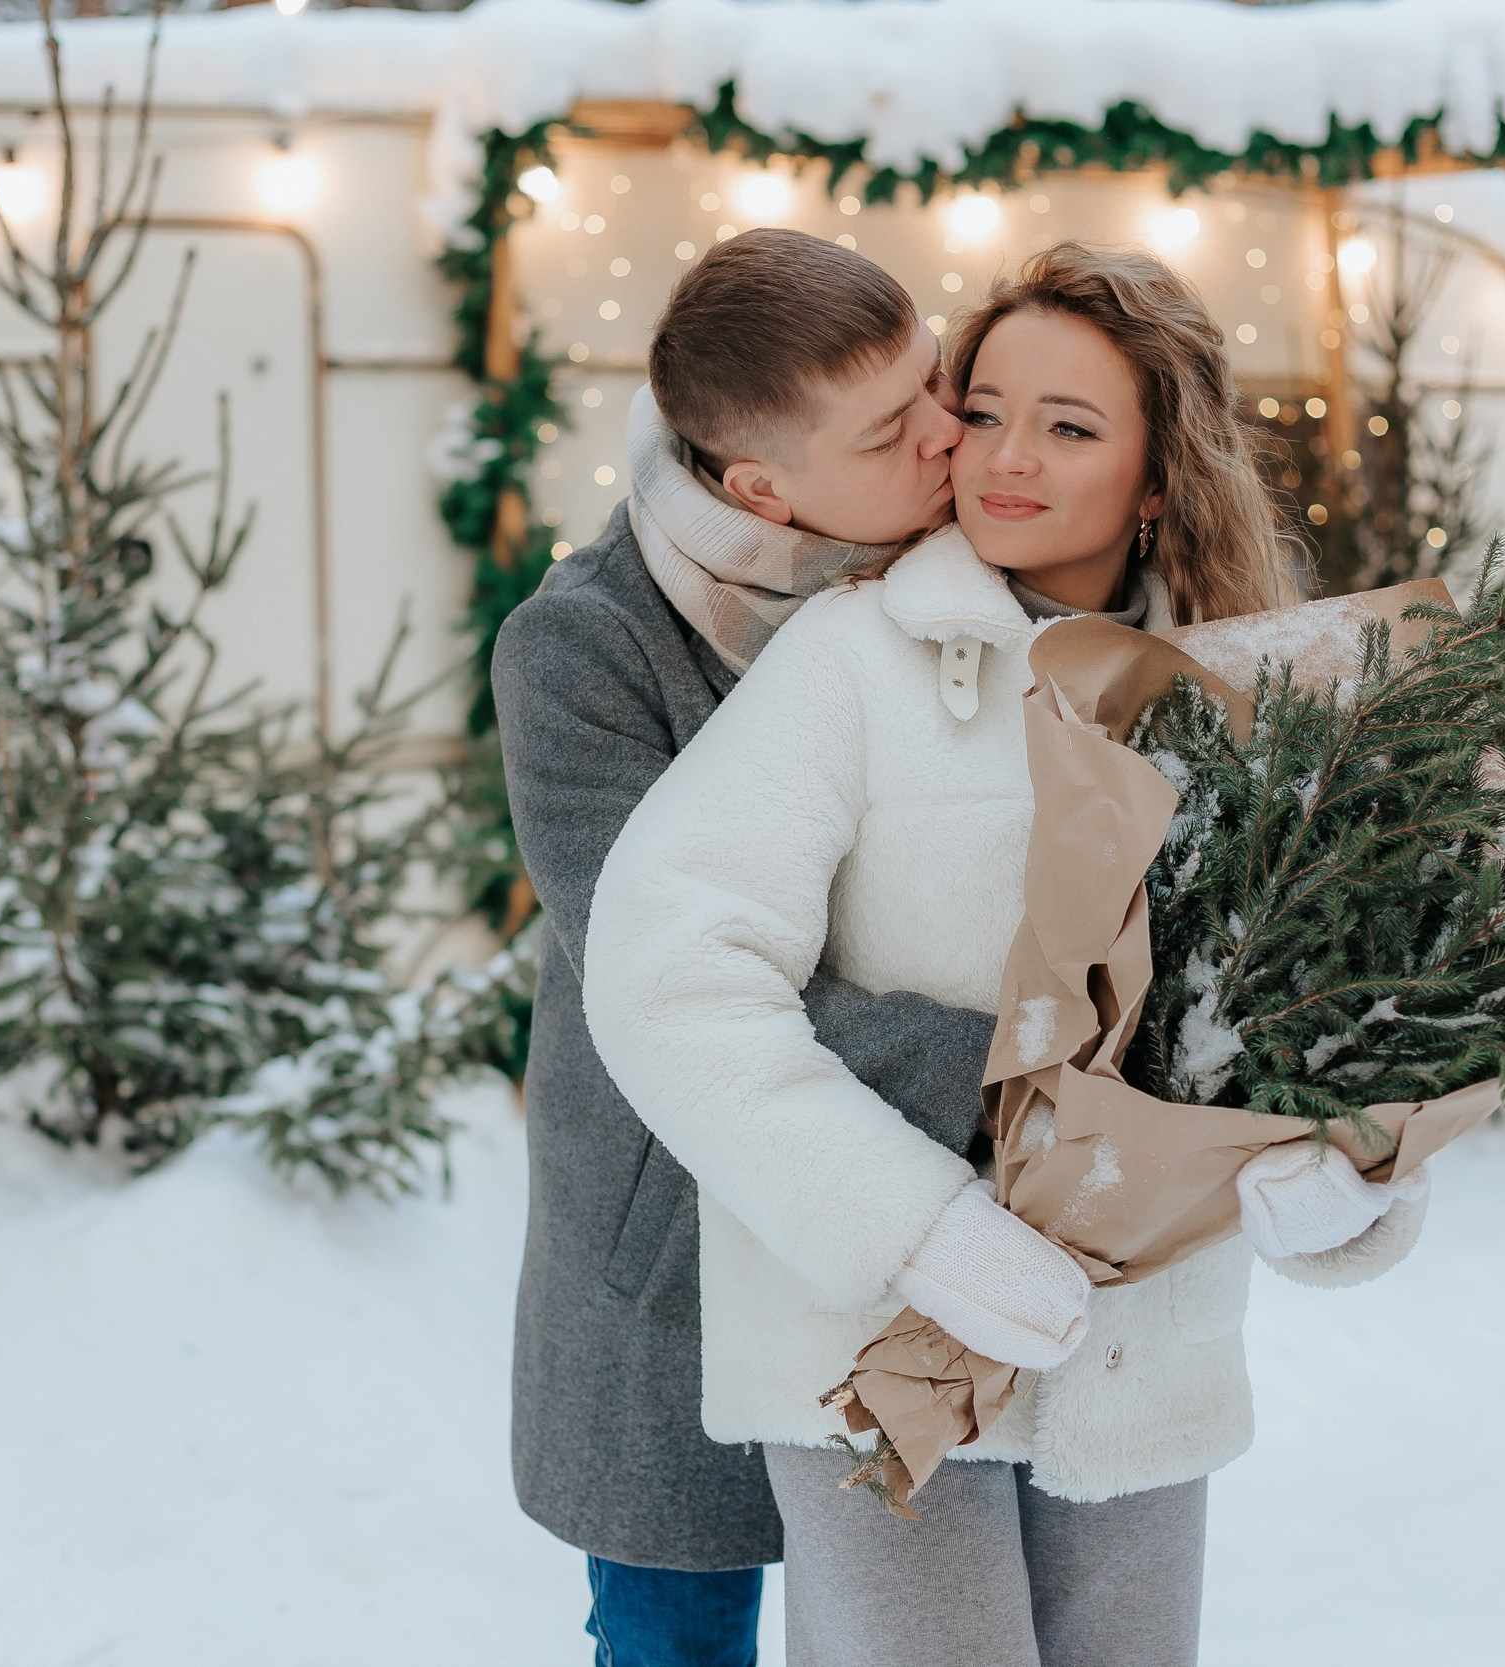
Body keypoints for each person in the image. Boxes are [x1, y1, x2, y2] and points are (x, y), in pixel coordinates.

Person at [581, 242, 1436, 1667]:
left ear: (1159, 475)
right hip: (880, 1355)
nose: (1005, 458)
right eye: (982, 410)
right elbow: (669, 977)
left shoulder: (1259, 694)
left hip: (1139, 1360)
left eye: (1071, 425)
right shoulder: (853, 662)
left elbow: (1334, 1007)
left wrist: (1354, 1182)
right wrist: (916, 1225)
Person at [491, 228, 993, 1667]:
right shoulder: (586, 648)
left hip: (927, 1217)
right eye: (897, 429)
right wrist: (1018, 1065)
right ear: (762, 486)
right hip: (681, 1248)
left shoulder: (958, 562)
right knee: (678, 1644)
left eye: (937, 382)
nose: (951, 436)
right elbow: (668, 978)